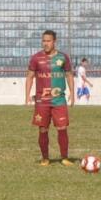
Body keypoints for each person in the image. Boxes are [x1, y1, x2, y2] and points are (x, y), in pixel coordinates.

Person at [25, 30, 74, 166]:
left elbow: (69, 75)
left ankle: (64, 157)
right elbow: (29, 77)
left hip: (59, 100)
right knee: (43, 129)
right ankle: (45, 158)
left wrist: (72, 94)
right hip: (42, 101)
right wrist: (27, 96)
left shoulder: (63, 58)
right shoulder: (36, 58)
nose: (45, 43)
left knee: (62, 128)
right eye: (43, 41)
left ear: (54, 41)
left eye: (48, 41)